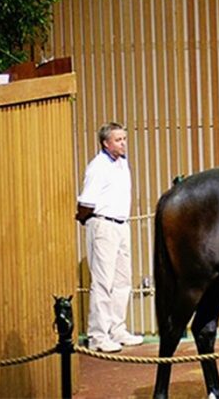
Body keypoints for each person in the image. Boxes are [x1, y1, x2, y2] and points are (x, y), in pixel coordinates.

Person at [76, 122, 143, 353]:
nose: (123, 143)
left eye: (124, 138)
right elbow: (86, 202)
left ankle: (117, 329)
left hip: (121, 224)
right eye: (118, 140)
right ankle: (98, 335)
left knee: (123, 280)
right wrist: (85, 219)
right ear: (106, 143)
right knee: (103, 282)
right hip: (103, 224)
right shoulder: (98, 166)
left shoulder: (122, 164)